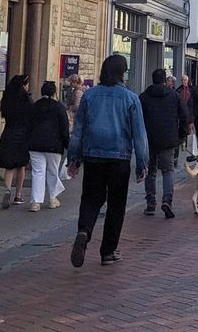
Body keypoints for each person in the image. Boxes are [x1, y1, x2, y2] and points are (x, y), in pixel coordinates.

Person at [66, 54, 149, 268]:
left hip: (93, 155)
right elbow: (139, 135)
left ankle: (84, 230)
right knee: (116, 204)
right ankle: (108, 251)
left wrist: (73, 159)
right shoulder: (130, 98)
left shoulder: (90, 95)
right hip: (119, 157)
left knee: (91, 198)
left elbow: (78, 130)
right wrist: (142, 164)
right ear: (123, 72)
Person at [138, 67, 188, 219]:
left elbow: (138, 119)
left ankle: (151, 203)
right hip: (168, 139)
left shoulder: (144, 97)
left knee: (150, 171)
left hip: (149, 139)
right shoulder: (173, 95)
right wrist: (181, 135)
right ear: (164, 80)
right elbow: (184, 115)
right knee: (168, 170)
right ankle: (167, 199)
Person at [27, 80, 70, 212]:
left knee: (37, 172)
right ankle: (52, 198)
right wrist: (67, 144)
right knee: (52, 171)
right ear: (54, 92)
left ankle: (36, 202)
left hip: (35, 144)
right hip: (54, 145)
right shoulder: (59, 107)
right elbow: (64, 128)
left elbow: (29, 124)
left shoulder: (35, 106)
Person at [0, 74, 33, 209]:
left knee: (9, 166)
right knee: (21, 166)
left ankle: (7, 190)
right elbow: (31, 117)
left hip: (8, 132)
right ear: (23, 85)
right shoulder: (26, 100)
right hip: (22, 135)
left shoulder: (7, 99)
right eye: (27, 84)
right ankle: (18, 195)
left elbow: (4, 114)